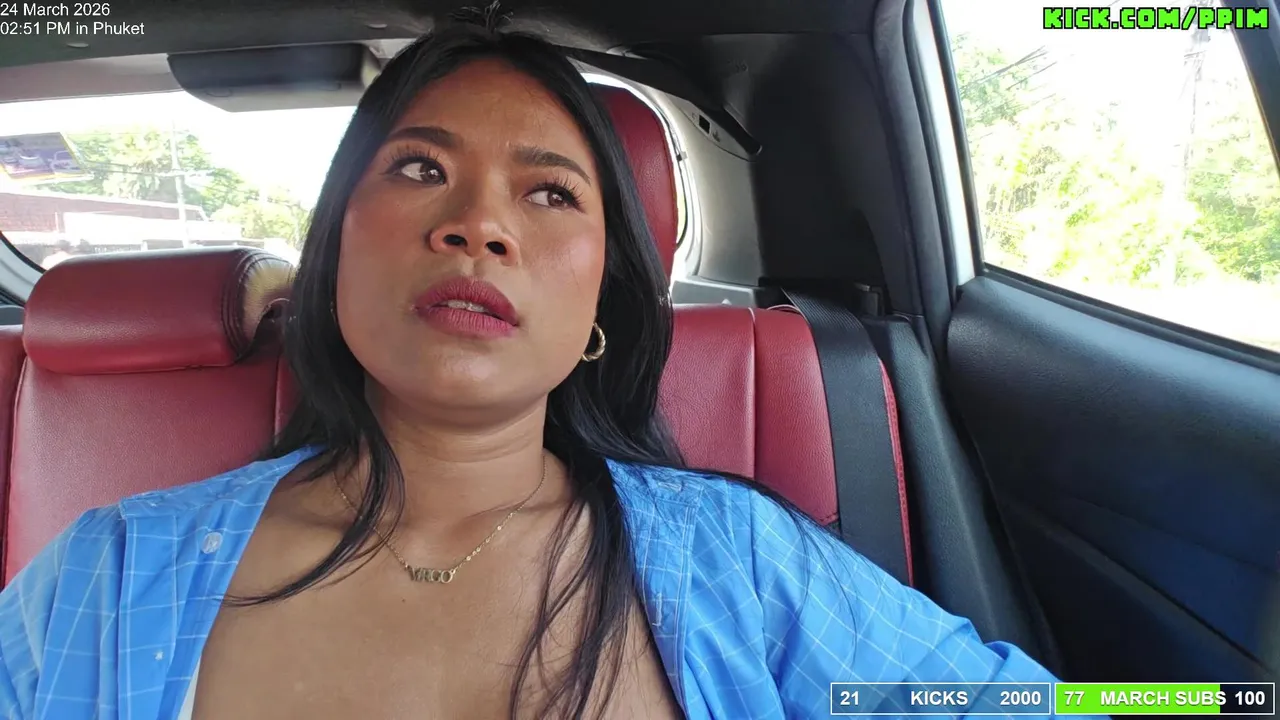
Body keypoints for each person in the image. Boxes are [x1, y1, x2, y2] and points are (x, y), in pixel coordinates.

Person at [0, 14, 1102, 720]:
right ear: (335, 255)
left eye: (549, 193)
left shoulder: (738, 561)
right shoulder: (101, 578)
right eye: (419, 169)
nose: (478, 225)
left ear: (597, 309)